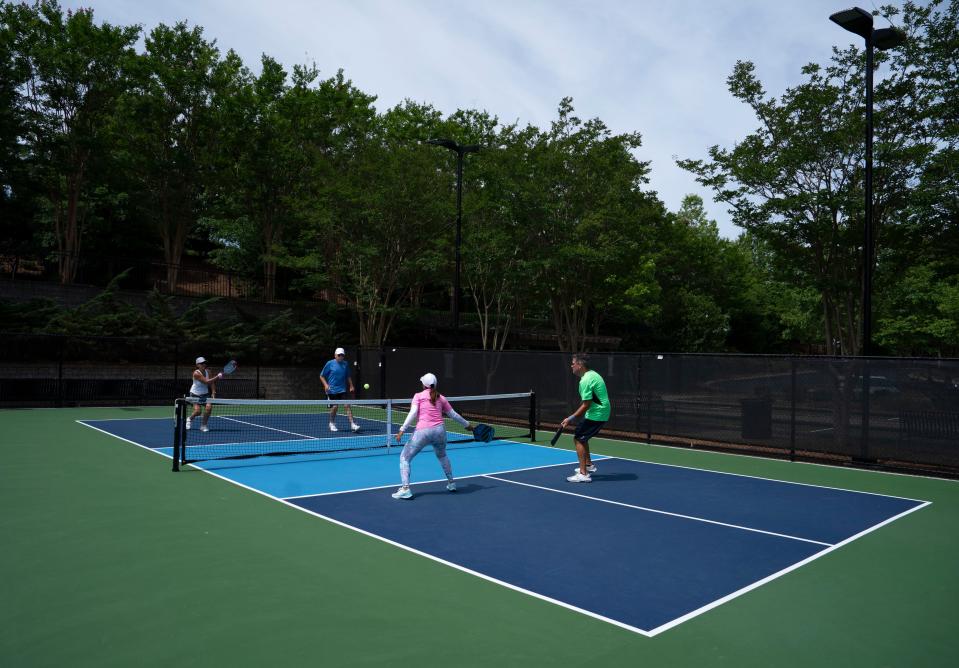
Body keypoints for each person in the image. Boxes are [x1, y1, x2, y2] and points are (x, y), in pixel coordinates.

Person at [391, 372, 475, 500]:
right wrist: (467, 425)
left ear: (424, 384)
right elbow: (453, 415)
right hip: (440, 432)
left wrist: (402, 429)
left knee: (404, 458)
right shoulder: (441, 397)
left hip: (423, 432)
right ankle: (452, 483)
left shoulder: (418, 396)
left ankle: (406, 489)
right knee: (442, 455)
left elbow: (413, 413)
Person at [560, 353, 610, 482]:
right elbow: (588, 402)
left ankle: (583, 474)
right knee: (583, 437)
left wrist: (570, 418)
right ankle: (588, 465)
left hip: (597, 413)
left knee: (578, 438)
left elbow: (586, 404)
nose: (571, 365)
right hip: (598, 411)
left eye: (573, 363)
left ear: (580, 365)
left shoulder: (586, 380)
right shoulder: (592, 374)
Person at [320, 347, 360, 432]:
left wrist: (351, 385)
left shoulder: (345, 364)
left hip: (342, 389)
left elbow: (348, 375)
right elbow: (321, 376)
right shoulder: (329, 363)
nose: (341, 356)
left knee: (347, 405)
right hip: (332, 390)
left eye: (342, 355)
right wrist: (326, 385)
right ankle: (331, 423)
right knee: (335, 406)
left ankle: (353, 424)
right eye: (339, 355)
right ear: (335, 355)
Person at [186, 356, 223, 433]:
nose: (203, 364)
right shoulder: (196, 373)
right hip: (195, 394)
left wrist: (213, 392)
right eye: (201, 363)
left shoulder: (208, 372)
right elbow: (207, 382)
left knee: (209, 408)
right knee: (198, 411)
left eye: (204, 363)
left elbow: (211, 383)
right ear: (197, 365)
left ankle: (203, 425)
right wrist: (217, 377)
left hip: (205, 394)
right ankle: (189, 418)